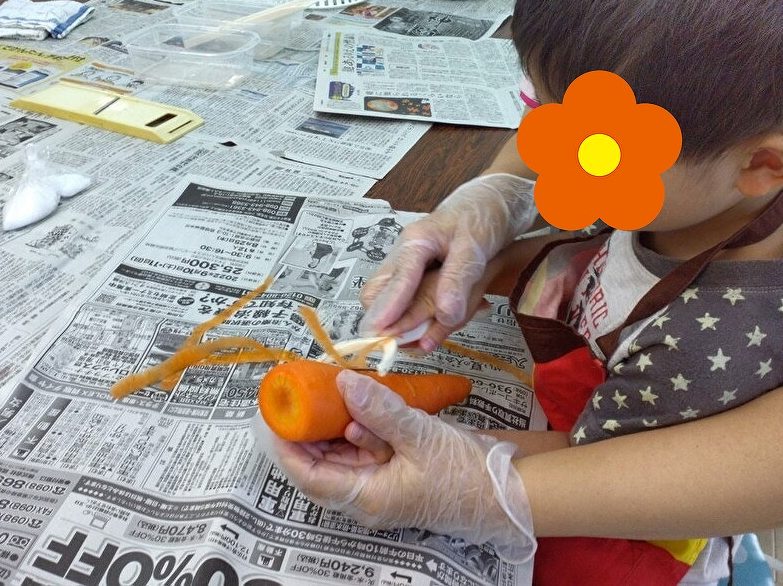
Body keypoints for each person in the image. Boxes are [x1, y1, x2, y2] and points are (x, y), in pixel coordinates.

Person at [266, 1, 783, 584]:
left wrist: (467, 478)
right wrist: (489, 249)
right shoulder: (689, 202)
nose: (552, 164)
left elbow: (599, 464)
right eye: (541, 109)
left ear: (763, 164)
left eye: (597, 152)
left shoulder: (710, 343)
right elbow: (592, 257)